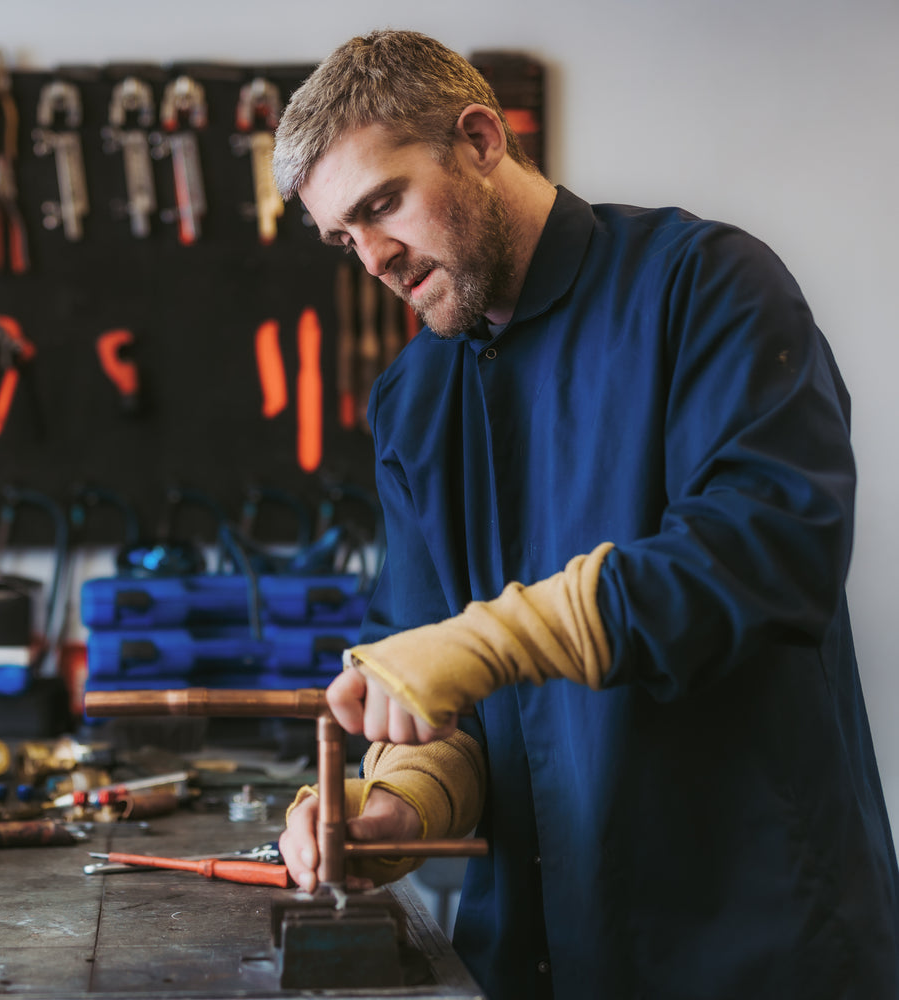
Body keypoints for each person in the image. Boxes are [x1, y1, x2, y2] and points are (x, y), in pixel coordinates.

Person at [272, 29, 899, 1000]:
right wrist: (396, 805)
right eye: (343, 237)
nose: (375, 258)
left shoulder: (709, 287)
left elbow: (769, 549)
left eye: (382, 204)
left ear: (482, 138)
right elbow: (437, 692)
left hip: (753, 945)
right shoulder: (415, 397)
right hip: (534, 959)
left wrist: (493, 637)